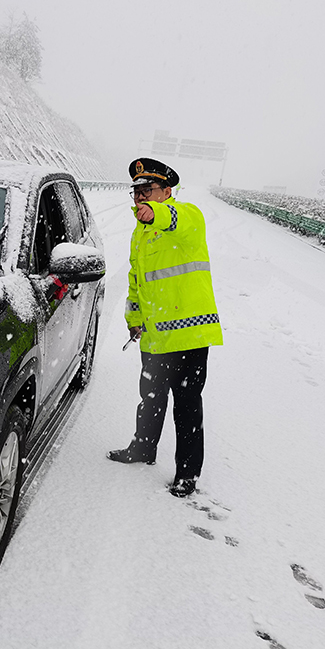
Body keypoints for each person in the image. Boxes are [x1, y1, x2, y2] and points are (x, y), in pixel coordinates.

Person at [108, 158, 223, 498]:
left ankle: (187, 474)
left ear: (167, 192)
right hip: (155, 337)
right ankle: (143, 448)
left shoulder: (188, 217)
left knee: (186, 405)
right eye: (137, 192)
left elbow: (177, 220)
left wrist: (157, 214)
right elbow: (136, 282)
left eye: (148, 191)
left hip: (188, 335)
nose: (140, 197)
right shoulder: (139, 235)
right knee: (151, 398)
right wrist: (134, 319)